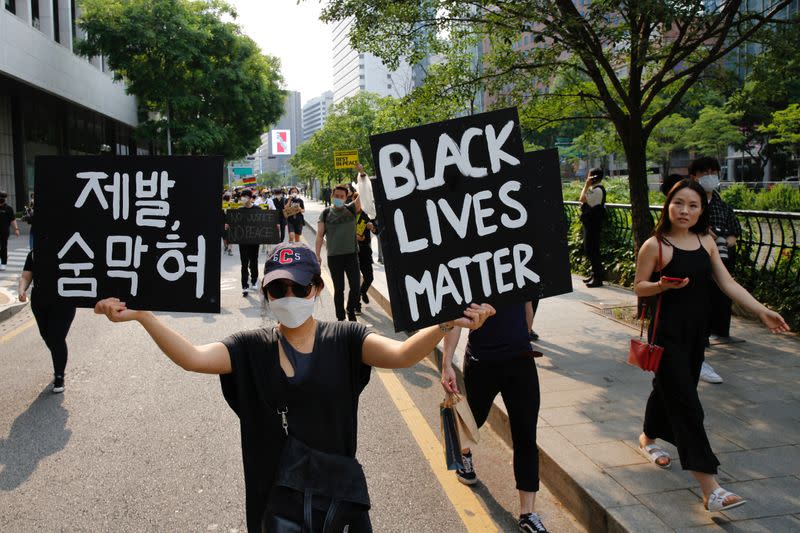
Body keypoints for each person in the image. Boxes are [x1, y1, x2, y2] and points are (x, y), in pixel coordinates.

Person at [94, 243, 495, 532]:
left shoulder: (346, 338)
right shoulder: (249, 347)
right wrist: (143, 316)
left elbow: (403, 353)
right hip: (277, 500)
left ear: (317, 290)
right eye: (278, 289)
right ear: (267, 293)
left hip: (337, 497)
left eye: (299, 289)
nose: (289, 297)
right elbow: (193, 358)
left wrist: (446, 323)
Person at [633, 179, 788, 513]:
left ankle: (647, 437)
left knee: (669, 391)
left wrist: (761, 310)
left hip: (695, 336)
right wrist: (660, 284)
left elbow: (727, 282)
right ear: (668, 205)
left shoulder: (706, 241)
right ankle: (711, 488)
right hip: (667, 337)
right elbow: (639, 287)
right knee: (689, 406)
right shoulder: (655, 246)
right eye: (679, 203)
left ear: (702, 210)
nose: (685, 210)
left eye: (693, 205)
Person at [441, 301, 548, 533]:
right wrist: (446, 363)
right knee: (474, 420)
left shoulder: (521, 266)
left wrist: (520, 338)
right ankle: (464, 453)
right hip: (482, 363)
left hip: (521, 362)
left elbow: (527, 306)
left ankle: (528, 514)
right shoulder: (470, 268)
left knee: (526, 435)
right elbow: (454, 318)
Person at [688, 157, 741, 384]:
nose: (710, 176)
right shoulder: (690, 201)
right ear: (694, 176)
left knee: (721, 294)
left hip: (721, 258)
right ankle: (700, 340)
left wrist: (728, 238)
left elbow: (734, 229)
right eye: (705, 172)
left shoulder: (722, 204)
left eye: (713, 172)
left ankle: (718, 330)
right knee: (700, 300)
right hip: (697, 261)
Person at [18, 251, 77, 393]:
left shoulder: (69, 250)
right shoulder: (34, 253)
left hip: (64, 302)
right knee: (47, 337)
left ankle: (59, 375)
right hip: (40, 302)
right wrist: (21, 290)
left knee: (56, 338)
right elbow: (26, 275)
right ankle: (59, 358)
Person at [315, 185, 362, 321]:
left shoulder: (351, 209)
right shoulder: (325, 213)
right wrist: (317, 255)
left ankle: (350, 309)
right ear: (332, 196)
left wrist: (362, 174)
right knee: (339, 289)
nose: (339, 199)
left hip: (351, 255)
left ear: (346, 197)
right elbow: (319, 236)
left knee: (355, 287)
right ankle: (340, 318)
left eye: (342, 196)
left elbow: (364, 194)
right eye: (336, 196)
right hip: (334, 257)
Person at [579, 168, 606, 287]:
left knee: (592, 250)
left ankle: (598, 278)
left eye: (589, 176)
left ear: (593, 177)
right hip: (591, 224)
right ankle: (594, 274)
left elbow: (582, 199)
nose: (587, 178)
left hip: (593, 225)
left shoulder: (598, 190)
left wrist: (586, 185)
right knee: (591, 250)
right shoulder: (595, 189)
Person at [354, 202, 377, 314]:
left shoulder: (367, 214)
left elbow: (376, 230)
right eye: (355, 202)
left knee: (369, 277)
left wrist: (372, 228)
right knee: (355, 280)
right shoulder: (349, 214)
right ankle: (357, 306)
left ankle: (363, 291)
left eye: (359, 202)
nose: (357, 204)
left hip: (365, 251)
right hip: (352, 252)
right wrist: (355, 236)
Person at [237, 189, 260, 297]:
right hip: (243, 241)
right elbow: (235, 224)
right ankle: (244, 286)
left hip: (255, 240)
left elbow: (263, 223)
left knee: (254, 260)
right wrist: (229, 226)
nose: (244, 198)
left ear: (251, 198)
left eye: (246, 196)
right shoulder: (239, 210)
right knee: (244, 263)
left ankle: (254, 280)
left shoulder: (257, 209)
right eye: (242, 196)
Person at [1, 190, 20, 271]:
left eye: (3, 197)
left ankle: (3, 263)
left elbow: (13, 220)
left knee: (4, 247)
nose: (1, 198)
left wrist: (16, 229)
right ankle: (2, 256)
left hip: (4, 231)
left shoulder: (9, 209)